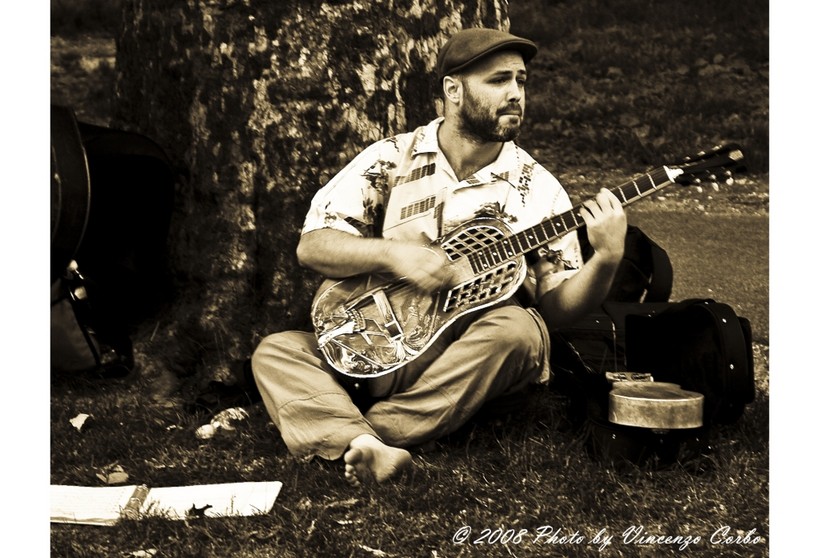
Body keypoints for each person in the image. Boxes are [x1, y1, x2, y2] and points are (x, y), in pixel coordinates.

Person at [251, 27, 627, 487]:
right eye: (499, 80)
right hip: (371, 343)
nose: (515, 93)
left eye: (521, 81)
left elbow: (556, 308)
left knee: (522, 331)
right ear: (453, 90)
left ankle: (359, 433)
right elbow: (313, 247)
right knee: (277, 351)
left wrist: (606, 258)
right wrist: (394, 255)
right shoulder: (390, 158)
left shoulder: (538, 190)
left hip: (462, 362)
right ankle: (374, 440)